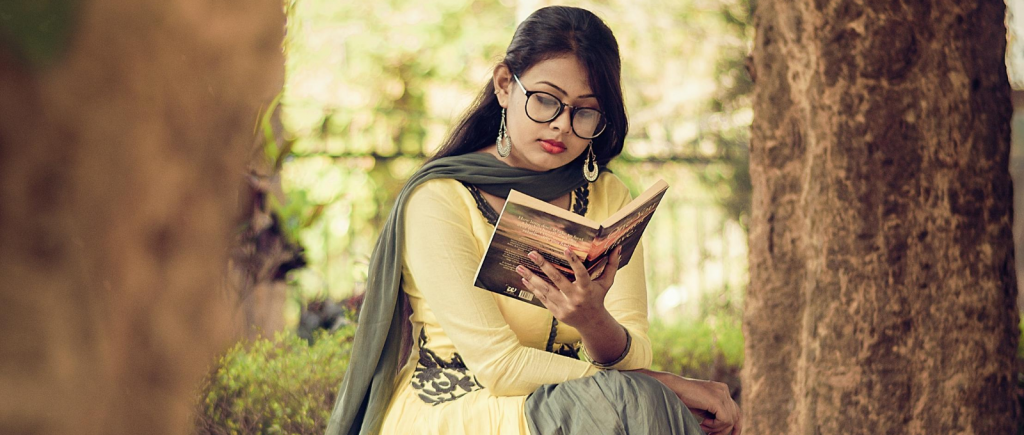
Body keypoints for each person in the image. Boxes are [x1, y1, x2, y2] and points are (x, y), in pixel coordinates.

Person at [325, 6, 741, 435]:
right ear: (505, 85)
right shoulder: (440, 200)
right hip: (457, 411)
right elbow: (500, 366)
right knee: (629, 403)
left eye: (585, 111)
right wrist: (668, 387)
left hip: (573, 410)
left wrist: (592, 319)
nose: (562, 125)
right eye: (545, 100)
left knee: (625, 404)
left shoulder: (607, 197)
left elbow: (635, 358)